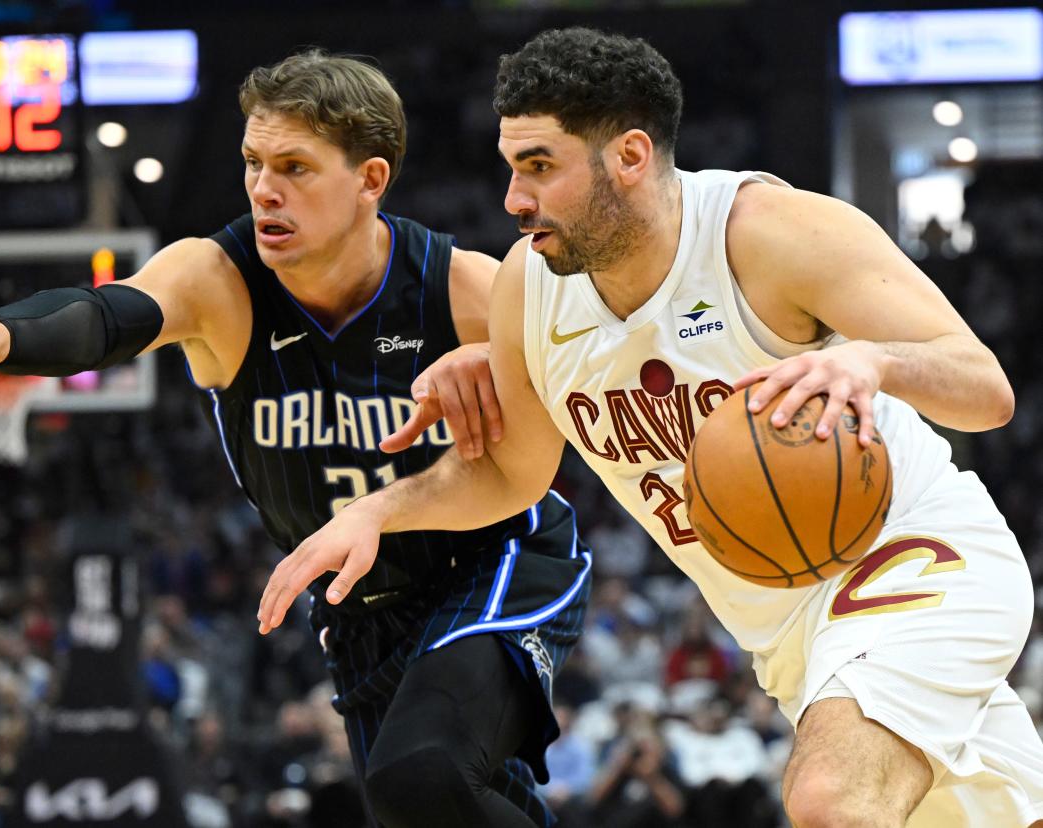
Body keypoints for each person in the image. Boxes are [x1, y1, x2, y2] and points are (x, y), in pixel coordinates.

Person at [257, 27, 1043, 827]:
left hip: (913, 557)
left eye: (539, 167)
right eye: (510, 166)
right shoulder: (530, 286)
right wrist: (377, 510)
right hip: (788, 636)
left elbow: (984, 386)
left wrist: (874, 363)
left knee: (830, 800)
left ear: (629, 155)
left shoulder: (768, 233)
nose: (512, 200)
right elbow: (511, 476)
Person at [0, 50, 592, 828]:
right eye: (254, 162)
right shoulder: (215, 281)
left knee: (419, 775)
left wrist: (499, 356)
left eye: (294, 166)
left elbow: (567, 409)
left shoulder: (464, 289)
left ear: (370, 180)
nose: (264, 188)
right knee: (436, 804)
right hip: (360, 610)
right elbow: (106, 316)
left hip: (491, 561)